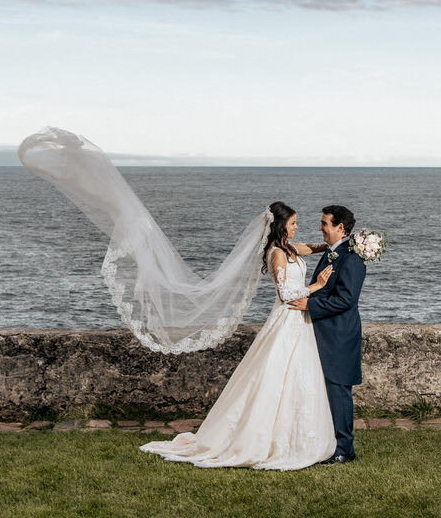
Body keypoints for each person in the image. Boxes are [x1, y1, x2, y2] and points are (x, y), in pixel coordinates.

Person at [139, 201, 337, 470]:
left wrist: (339, 244)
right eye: (293, 223)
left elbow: (312, 248)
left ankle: (293, 434)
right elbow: (285, 294)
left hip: (298, 321)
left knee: (297, 374)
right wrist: (316, 285)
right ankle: (258, 438)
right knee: (273, 376)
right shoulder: (277, 253)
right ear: (280, 226)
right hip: (286, 318)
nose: (297, 227)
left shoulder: (290, 248)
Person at [288, 205, 364, 465]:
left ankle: (344, 450)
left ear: (339, 227)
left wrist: (310, 304)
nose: (319, 227)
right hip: (324, 333)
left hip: (340, 335)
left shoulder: (351, 257)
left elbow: (346, 300)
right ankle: (327, 444)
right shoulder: (334, 252)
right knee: (325, 391)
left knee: (338, 391)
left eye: (324, 224)